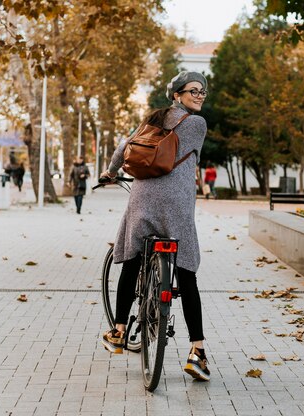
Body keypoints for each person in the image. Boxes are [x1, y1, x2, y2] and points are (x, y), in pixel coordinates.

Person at [100, 71, 211, 381]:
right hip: (176, 206)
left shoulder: (152, 119)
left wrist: (110, 173)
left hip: (142, 198)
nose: (200, 95)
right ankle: (197, 352)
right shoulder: (197, 124)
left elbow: (125, 147)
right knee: (187, 273)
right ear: (177, 94)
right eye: (193, 91)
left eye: (203, 91)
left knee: (132, 260)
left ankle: (119, 331)